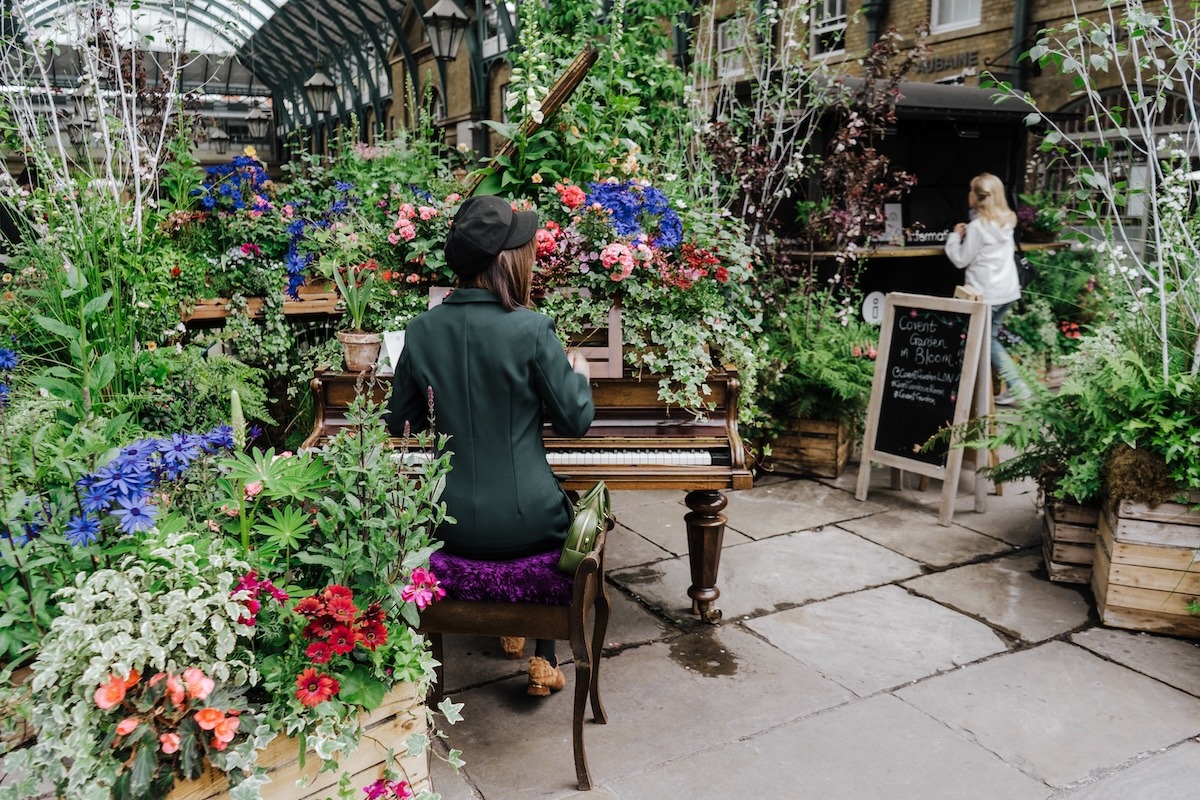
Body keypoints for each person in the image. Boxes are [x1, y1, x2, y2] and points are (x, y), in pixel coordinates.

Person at [387, 195, 595, 696]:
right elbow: (575, 422)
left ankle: (511, 633)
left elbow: (399, 421)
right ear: (506, 260)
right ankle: (544, 658)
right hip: (529, 523)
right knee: (566, 519)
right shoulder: (532, 327)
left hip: (447, 523)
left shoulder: (421, 329)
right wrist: (579, 373)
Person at [944, 172, 1031, 406]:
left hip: (986, 294)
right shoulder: (1007, 220)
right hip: (1008, 291)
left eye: (971, 191)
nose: (968, 195)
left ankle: (1017, 389)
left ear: (979, 197)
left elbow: (961, 259)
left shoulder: (977, 228)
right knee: (988, 339)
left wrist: (954, 237)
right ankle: (989, 394)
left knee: (985, 342)